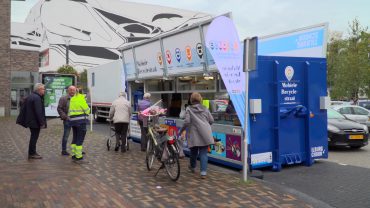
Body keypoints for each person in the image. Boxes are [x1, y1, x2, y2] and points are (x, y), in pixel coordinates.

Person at [180, 92, 214, 179]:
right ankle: (203, 173)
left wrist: (181, 130)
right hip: (205, 133)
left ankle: (192, 167)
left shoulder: (189, 109)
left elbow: (186, 121)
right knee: (203, 153)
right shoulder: (205, 108)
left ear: (191, 100)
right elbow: (211, 120)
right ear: (200, 99)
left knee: (193, 152)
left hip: (194, 134)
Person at [16, 83, 47, 159]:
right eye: (43, 89)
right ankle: (32, 153)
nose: (44, 91)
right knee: (34, 137)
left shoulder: (31, 96)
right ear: (39, 90)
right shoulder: (37, 98)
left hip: (31, 120)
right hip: (34, 122)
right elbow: (38, 111)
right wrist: (42, 123)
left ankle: (32, 152)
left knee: (33, 137)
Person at [68, 88, 90, 161]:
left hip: (73, 121)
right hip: (81, 121)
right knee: (80, 139)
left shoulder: (72, 99)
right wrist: (87, 111)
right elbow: (87, 110)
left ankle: (74, 154)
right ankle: (79, 156)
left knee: (75, 138)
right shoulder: (81, 99)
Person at [57, 85, 76, 156]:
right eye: (70, 90)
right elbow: (59, 108)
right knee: (66, 135)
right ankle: (64, 150)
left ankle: (76, 149)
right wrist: (65, 117)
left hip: (76, 120)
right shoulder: (63, 98)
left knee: (76, 135)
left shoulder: (77, 98)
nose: (72, 91)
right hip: (67, 120)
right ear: (68, 90)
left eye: (73, 90)